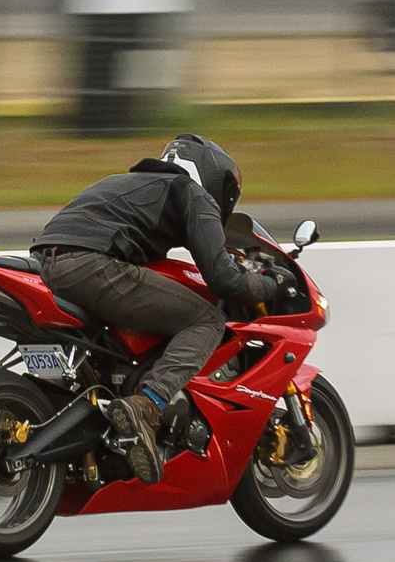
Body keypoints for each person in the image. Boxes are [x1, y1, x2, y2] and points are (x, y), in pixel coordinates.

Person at [30, 134, 291, 484]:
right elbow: (224, 279)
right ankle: (148, 404)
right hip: (91, 266)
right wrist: (270, 284)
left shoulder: (128, 183)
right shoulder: (192, 192)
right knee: (206, 320)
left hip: (45, 266)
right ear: (210, 175)